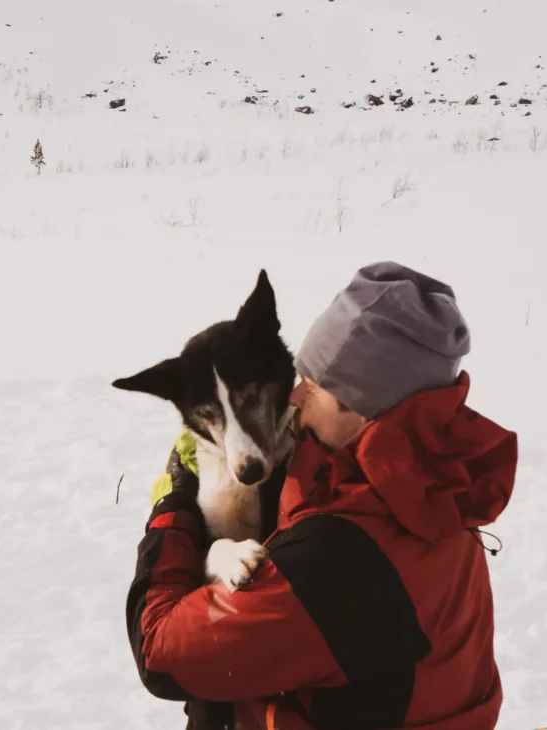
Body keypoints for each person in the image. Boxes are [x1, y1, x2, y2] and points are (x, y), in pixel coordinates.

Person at [124, 261, 518, 729]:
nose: (293, 399)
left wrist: (170, 513)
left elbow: (162, 655)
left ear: (362, 403)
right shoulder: (437, 484)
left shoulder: (336, 556)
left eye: (312, 387)